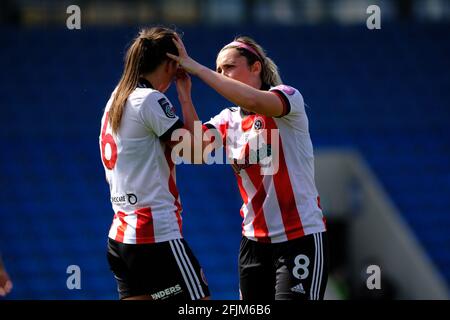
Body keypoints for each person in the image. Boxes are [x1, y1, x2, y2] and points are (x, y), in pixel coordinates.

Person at [168, 34, 329, 300]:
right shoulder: (227, 119)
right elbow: (193, 152)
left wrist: (197, 68)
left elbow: (254, 102)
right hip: (253, 243)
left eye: (228, 67)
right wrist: (185, 97)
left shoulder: (287, 98)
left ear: (256, 68)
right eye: (218, 69)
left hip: (299, 238)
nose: (221, 74)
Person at [99, 27, 209, 301]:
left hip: (121, 238)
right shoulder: (150, 100)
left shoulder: (116, 99)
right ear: (173, 61)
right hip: (154, 235)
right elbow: (196, 153)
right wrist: (185, 94)